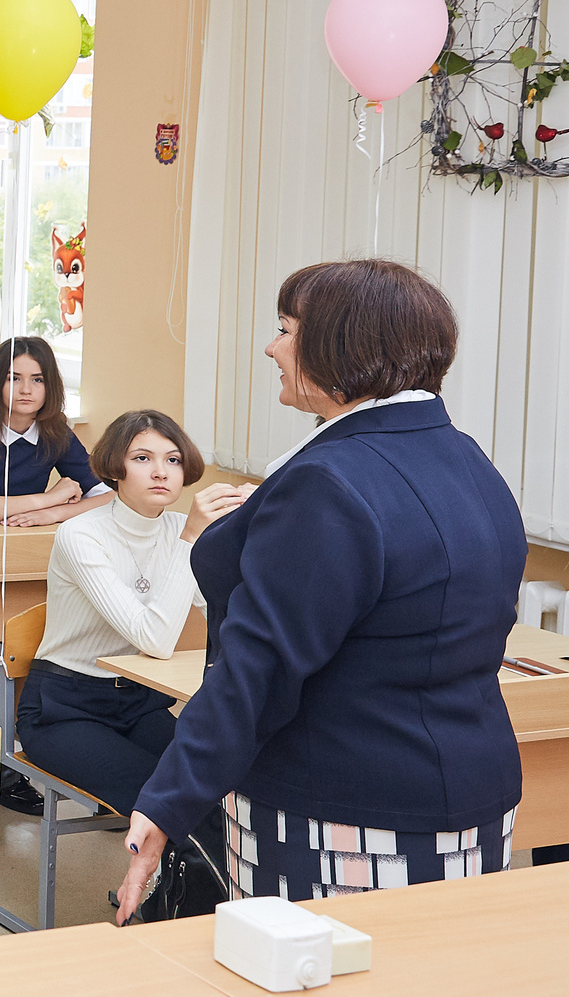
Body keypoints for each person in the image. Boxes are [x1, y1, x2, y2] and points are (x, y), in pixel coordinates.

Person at [118, 260, 526, 920]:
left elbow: (260, 667)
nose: (272, 347)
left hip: (341, 809)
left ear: (341, 345)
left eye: (285, 329)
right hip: (470, 794)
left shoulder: (327, 484)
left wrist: (166, 801)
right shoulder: (466, 459)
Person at [19, 410, 238, 836]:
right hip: (64, 708)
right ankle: (176, 900)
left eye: (173, 460)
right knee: (169, 802)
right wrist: (191, 540)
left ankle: (181, 896)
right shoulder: (81, 534)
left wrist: (237, 536)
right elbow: (153, 639)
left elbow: (223, 612)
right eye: (143, 459)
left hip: (141, 702)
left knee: (225, 788)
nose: (161, 472)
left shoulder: (181, 529)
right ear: (116, 468)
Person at [0, 336, 107, 527]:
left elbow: (110, 498)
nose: (26, 390)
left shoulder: (55, 432)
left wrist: (55, 513)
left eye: (38, 380)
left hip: (24, 541)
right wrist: (49, 499)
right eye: (14, 378)